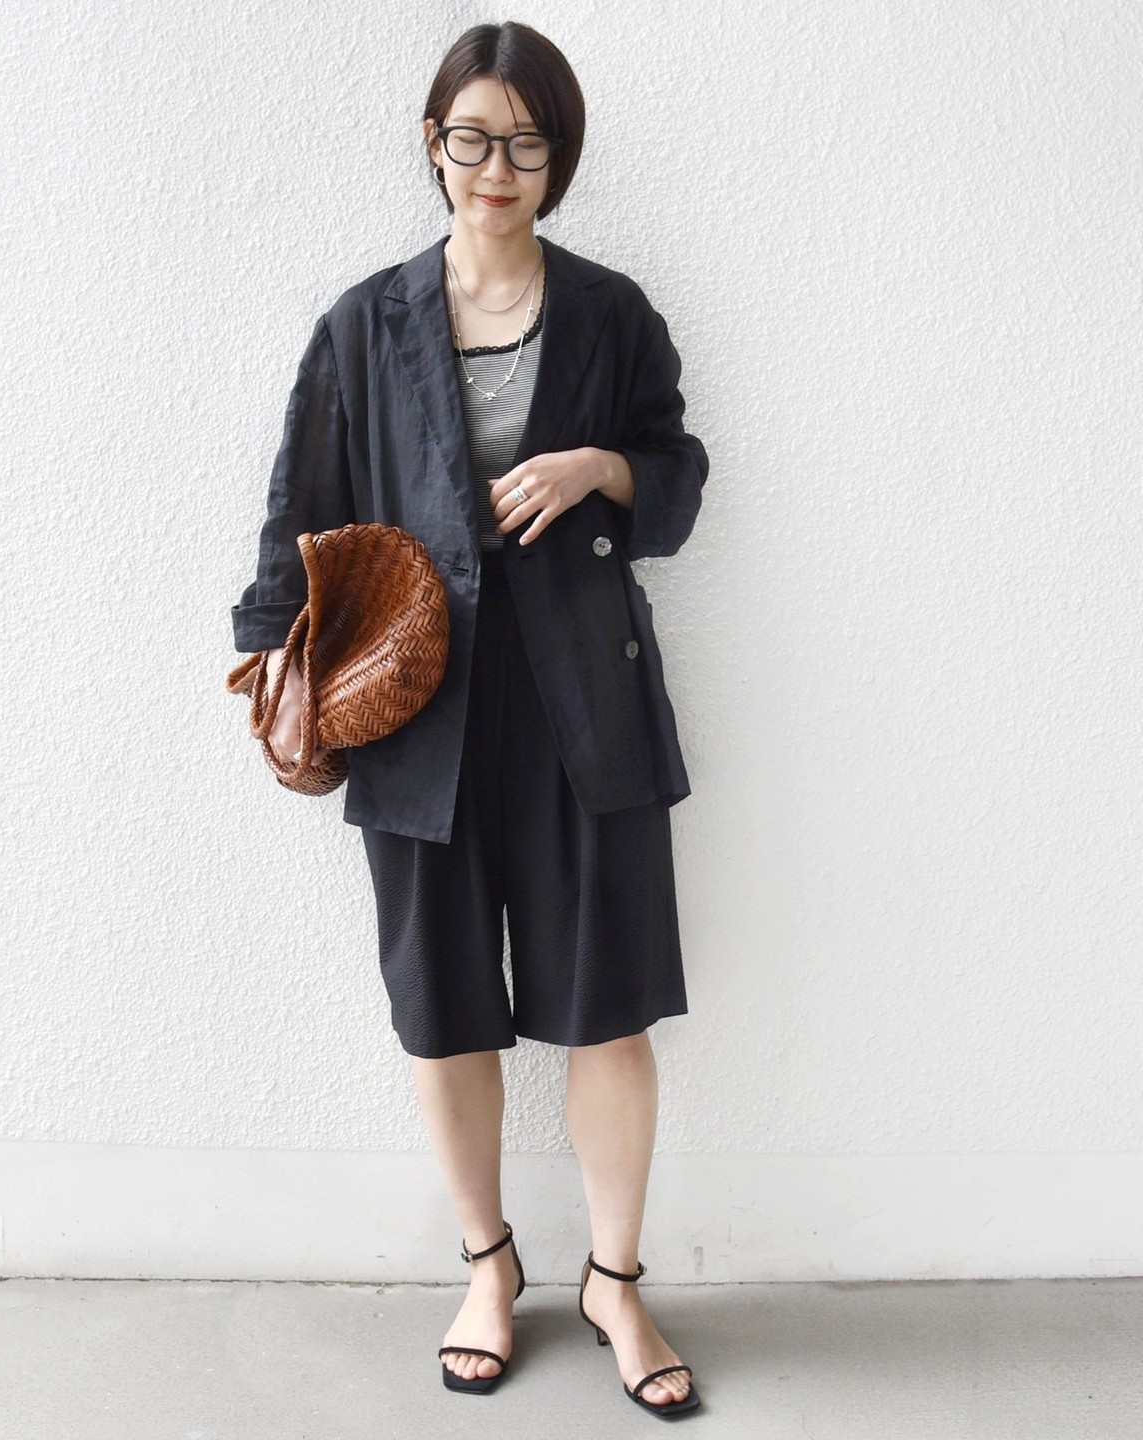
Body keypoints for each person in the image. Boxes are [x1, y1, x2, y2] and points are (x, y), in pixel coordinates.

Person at [230, 21, 708, 1419]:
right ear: (432, 145)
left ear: (560, 157)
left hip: (585, 704)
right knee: (443, 1011)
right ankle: (489, 1269)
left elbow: (680, 480)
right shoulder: (363, 323)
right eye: (472, 137)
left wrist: (599, 464)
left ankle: (615, 1283)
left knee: (607, 1009)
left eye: (527, 142)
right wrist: (267, 653)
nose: (497, 167)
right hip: (413, 709)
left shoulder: (612, 314)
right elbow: (299, 505)